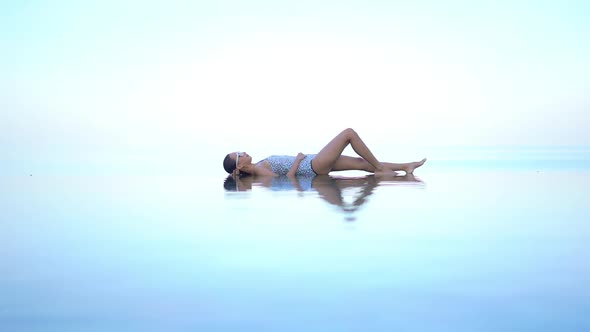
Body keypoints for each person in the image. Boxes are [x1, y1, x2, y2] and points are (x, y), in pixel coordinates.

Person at [222, 128, 426, 177]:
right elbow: (284, 178)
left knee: (362, 163)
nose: (244, 152)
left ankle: (405, 167)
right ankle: (382, 168)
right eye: (240, 154)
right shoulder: (258, 170)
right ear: (240, 164)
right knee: (348, 134)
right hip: (312, 165)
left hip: (312, 161)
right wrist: (298, 160)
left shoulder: (258, 165)